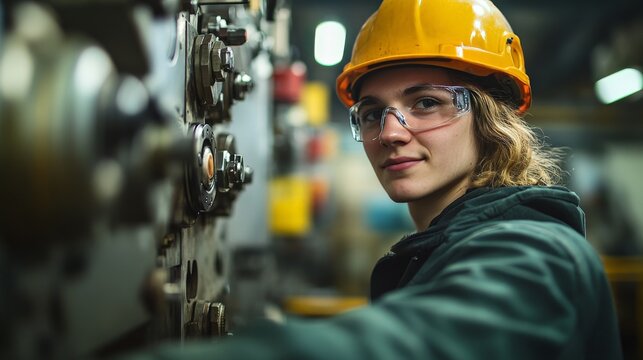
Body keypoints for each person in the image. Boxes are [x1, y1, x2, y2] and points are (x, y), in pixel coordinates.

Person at [123, 0, 622, 358]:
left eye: (426, 103)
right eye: (372, 112)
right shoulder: (441, 248)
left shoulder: (538, 254)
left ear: (491, 120)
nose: (390, 133)